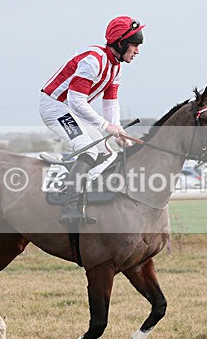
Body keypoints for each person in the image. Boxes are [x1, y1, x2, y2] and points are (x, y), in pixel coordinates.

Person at [39, 16, 144, 223]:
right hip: (55, 107)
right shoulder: (93, 61)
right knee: (88, 148)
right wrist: (106, 126)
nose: (137, 51)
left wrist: (117, 130)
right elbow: (76, 100)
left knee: (107, 151)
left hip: (71, 109)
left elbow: (110, 103)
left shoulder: (116, 67)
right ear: (121, 43)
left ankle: (83, 191)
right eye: (134, 46)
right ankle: (69, 208)